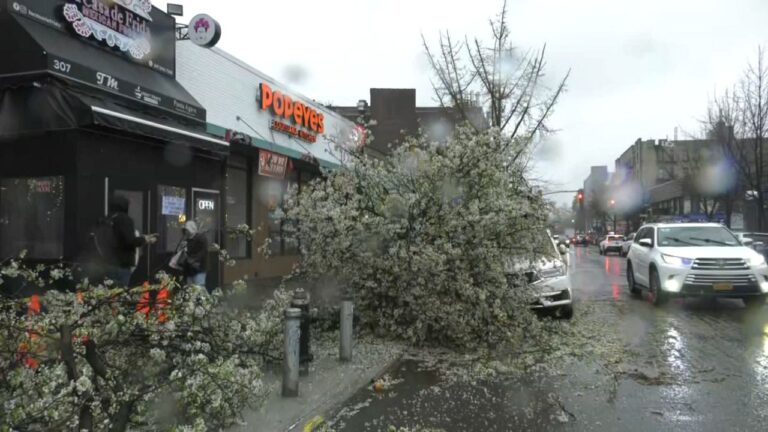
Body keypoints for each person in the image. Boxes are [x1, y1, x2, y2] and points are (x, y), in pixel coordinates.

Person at [104, 195, 157, 286]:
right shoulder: (124, 219)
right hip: (122, 264)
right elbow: (130, 241)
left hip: (109, 263)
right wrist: (146, 240)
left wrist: (144, 237)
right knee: (120, 293)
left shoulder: (109, 219)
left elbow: (120, 238)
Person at [174, 221, 208, 288]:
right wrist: (181, 248)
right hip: (189, 270)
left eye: (187, 230)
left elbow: (203, 252)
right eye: (185, 230)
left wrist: (192, 259)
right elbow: (181, 252)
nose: (186, 232)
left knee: (199, 289)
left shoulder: (200, 238)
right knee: (190, 289)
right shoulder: (186, 239)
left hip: (198, 269)